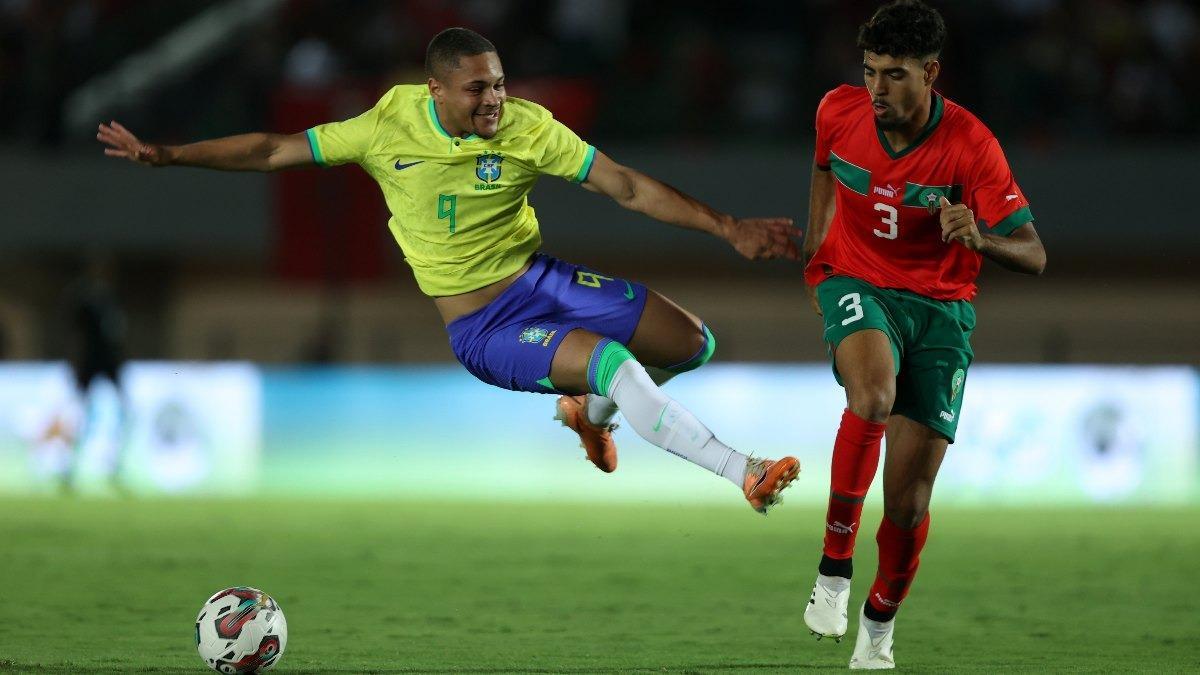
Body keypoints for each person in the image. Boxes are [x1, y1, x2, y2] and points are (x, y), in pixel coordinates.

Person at [98, 27, 802, 513]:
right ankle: (743, 470)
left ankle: (589, 418)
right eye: (475, 90)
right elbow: (273, 150)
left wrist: (728, 227)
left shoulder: (528, 125)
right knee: (613, 359)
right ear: (434, 91)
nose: (493, 99)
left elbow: (624, 186)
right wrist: (167, 154)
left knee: (692, 344)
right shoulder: (385, 126)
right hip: (483, 325)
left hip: (541, 279)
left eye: (497, 84)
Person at [799, 1, 1046, 668]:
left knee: (907, 504)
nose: (877, 88)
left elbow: (1034, 252)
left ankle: (878, 627)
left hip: (940, 310)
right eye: (870, 71)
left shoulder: (971, 145)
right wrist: (818, 248)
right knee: (873, 394)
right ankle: (832, 570)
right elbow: (824, 167)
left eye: (895, 74)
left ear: (932, 72)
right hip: (857, 282)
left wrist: (981, 237)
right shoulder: (837, 111)